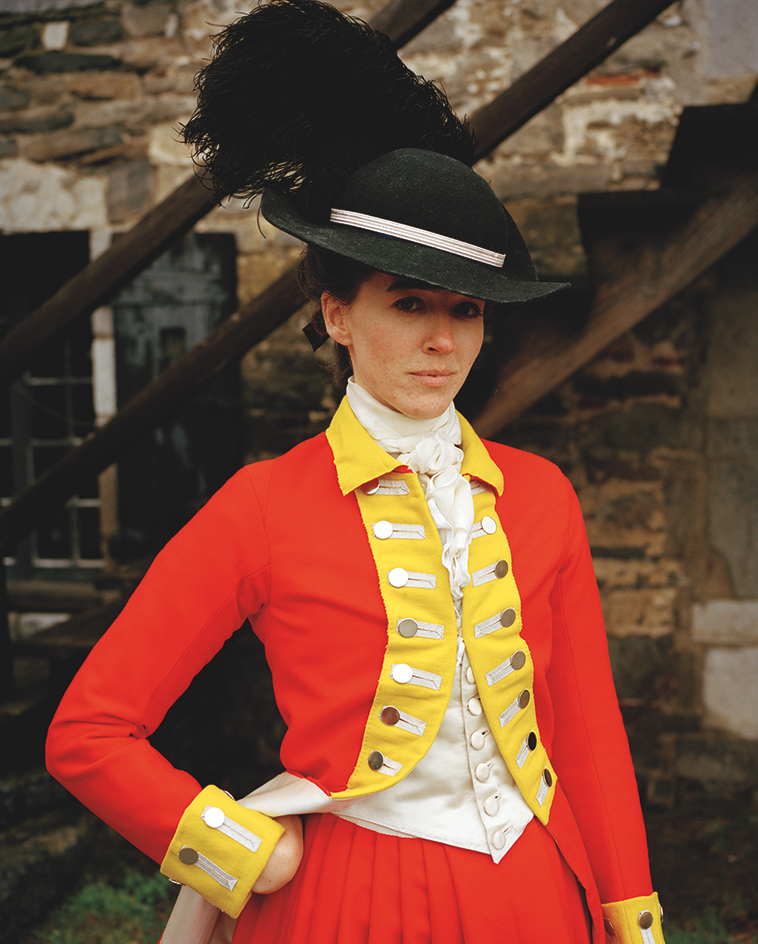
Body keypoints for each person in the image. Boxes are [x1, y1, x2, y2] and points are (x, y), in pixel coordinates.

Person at [46, 2, 666, 942]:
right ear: (336, 312)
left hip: (537, 895)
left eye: (467, 309)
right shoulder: (264, 505)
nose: (441, 339)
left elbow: (588, 734)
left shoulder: (543, 496)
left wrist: (630, 911)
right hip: (349, 902)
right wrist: (243, 850)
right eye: (408, 302)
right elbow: (88, 733)